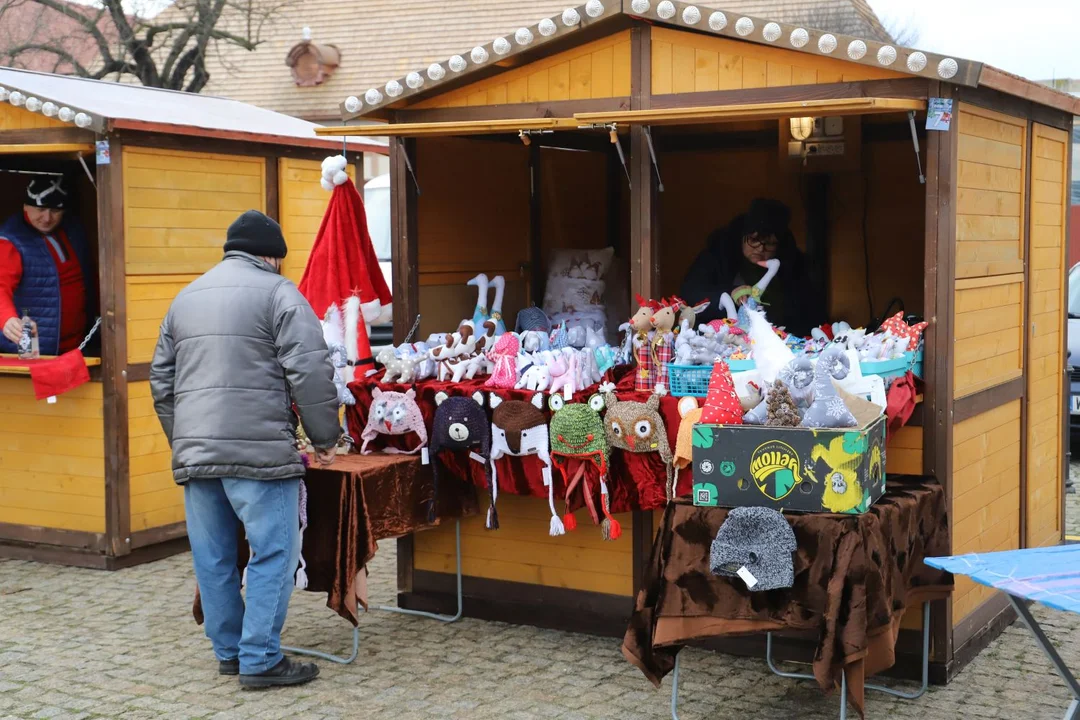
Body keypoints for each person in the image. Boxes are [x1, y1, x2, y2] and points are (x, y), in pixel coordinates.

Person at [150, 210, 341, 689]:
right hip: (260, 456)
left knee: (213, 558)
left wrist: (185, 440)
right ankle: (260, 659)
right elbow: (312, 372)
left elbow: (161, 381)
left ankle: (230, 653)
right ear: (272, 256)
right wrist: (324, 439)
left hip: (197, 456)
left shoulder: (186, 297)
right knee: (273, 552)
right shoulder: (280, 293)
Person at [680, 198, 825, 337]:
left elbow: (809, 311)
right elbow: (691, 292)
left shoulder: (791, 265)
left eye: (769, 243)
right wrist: (729, 293)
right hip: (725, 337)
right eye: (754, 240)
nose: (760, 249)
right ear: (742, 236)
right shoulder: (717, 256)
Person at [0, 177, 94, 355]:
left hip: (78, 346)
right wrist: (7, 319)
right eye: (40, 209)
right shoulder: (9, 240)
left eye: (55, 210)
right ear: (25, 207)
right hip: (31, 351)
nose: (47, 218)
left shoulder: (73, 230)